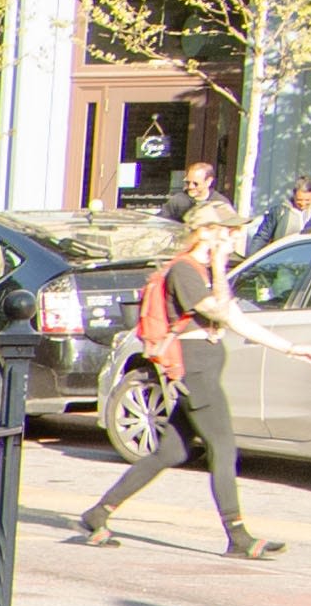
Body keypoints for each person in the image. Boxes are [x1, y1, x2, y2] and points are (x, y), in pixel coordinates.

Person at [71, 205, 286, 560]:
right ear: (205, 231)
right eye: (227, 230)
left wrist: (290, 348)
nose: (234, 236)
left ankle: (98, 514)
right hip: (196, 374)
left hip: (202, 371)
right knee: (224, 448)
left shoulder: (197, 271)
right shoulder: (186, 271)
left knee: (169, 452)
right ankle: (238, 536)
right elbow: (218, 311)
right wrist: (219, 265)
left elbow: (236, 319)